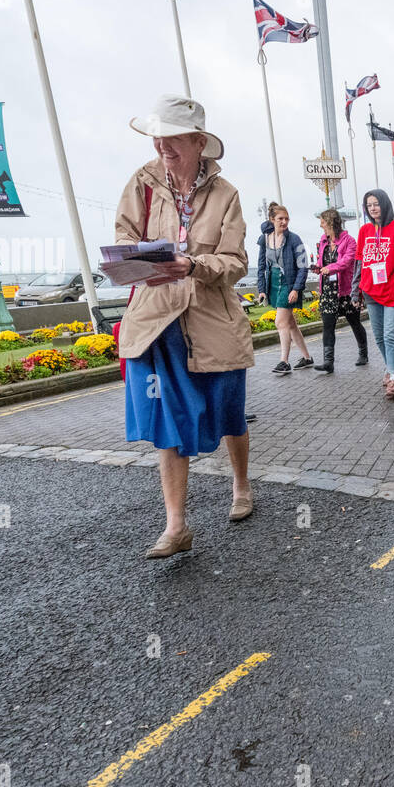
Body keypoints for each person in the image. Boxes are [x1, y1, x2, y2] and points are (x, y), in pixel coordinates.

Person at [117, 94, 253, 559]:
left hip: (210, 319)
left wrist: (193, 265)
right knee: (167, 421)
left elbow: (235, 261)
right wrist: (137, 259)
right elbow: (123, 237)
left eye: (173, 138)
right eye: (158, 138)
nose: (163, 147)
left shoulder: (226, 194)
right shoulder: (143, 182)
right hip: (157, 321)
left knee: (229, 411)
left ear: (199, 142)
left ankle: (241, 485)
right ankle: (176, 525)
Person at [351, 189, 394, 400]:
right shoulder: (364, 231)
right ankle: (389, 367)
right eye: (369, 205)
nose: (373, 208)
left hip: (392, 292)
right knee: (378, 337)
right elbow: (359, 263)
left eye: (376, 204)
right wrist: (355, 292)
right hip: (370, 292)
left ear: (384, 204)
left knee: (390, 335)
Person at [256, 203, 314, 375]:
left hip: (288, 283)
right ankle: (307, 358)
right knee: (290, 324)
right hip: (273, 282)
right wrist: (261, 289)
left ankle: (284, 361)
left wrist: (296, 289)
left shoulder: (295, 239)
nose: (284, 222)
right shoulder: (264, 239)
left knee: (280, 322)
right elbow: (261, 266)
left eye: (286, 218)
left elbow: (303, 266)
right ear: (272, 220)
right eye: (280, 218)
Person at [313, 207, 368, 375]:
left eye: (322, 222)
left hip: (345, 289)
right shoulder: (323, 241)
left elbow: (346, 261)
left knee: (354, 322)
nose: (321, 225)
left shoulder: (349, 241)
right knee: (328, 325)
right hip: (328, 291)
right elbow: (323, 262)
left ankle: (363, 353)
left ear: (330, 222)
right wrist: (319, 268)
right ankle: (328, 362)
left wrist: (330, 268)